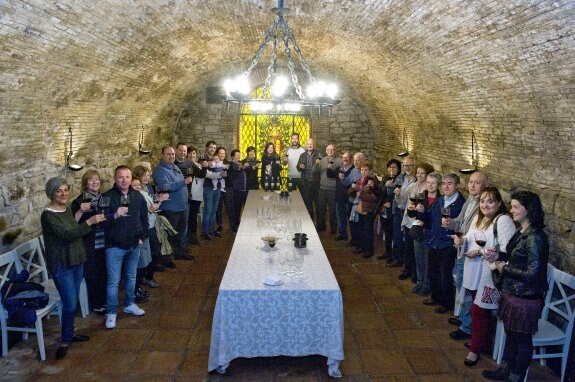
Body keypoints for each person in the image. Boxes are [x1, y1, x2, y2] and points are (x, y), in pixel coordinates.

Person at [482, 191, 549, 382]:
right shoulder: (522, 232)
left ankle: (516, 376)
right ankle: (505, 370)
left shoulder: (536, 238)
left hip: (526, 297)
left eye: (516, 207)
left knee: (522, 339)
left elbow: (533, 273)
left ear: (529, 210)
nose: (511, 211)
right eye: (512, 206)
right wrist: (498, 257)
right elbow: (514, 257)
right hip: (514, 292)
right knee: (511, 335)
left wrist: (505, 269)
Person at [41, 177, 106, 359]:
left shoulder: (67, 209)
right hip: (62, 264)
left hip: (76, 260)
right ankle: (64, 340)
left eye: (65, 190)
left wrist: (84, 225)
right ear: (51, 193)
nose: (63, 194)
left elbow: (75, 232)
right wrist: (90, 222)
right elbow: (67, 234)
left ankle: (69, 334)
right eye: (58, 191)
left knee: (72, 301)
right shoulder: (48, 215)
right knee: (69, 303)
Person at [454, 187, 515, 366]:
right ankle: (483, 342)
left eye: (490, 201)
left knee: (479, 310)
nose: (485, 205)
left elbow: (506, 250)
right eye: (482, 201)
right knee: (477, 307)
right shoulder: (478, 217)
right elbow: (470, 236)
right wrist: (462, 241)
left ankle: (475, 349)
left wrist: (479, 251)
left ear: (498, 203)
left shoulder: (503, 220)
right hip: (474, 270)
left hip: (489, 273)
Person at [445, 171, 489, 341]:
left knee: (469, 287)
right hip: (462, 247)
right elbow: (460, 221)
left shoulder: (483, 205)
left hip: (472, 252)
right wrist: (450, 223)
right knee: (462, 284)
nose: (471, 185)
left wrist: (461, 236)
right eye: (470, 182)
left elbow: (477, 231)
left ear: (484, 186)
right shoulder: (469, 201)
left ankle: (467, 327)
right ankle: (463, 318)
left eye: (476, 183)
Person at [103, 166, 149, 329]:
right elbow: (100, 221)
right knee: (114, 282)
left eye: (127, 177)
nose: (124, 180)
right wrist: (114, 215)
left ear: (131, 178)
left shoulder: (137, 196)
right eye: (120, 177)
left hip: (134, 244)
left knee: (131, 277)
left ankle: (129, 304)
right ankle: (112, 312)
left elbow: (144, 218)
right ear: (115, 178)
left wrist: (142, 237)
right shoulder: (107, 197)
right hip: (114, 246)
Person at [419, 173, 465, 314]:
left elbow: (461, 225)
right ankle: (435, 296)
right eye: (444, 183)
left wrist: (451, 225)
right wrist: (421, 212)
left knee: (445, 274)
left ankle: (446, 302)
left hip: (447, 243)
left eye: (449, 183)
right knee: (433, 272)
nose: (446, 186)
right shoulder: (439, 201)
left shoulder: (460, 204)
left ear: (457, 186)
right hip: (434, 242)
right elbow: (430, 219)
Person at [70, 170, 107, 315]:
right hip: (89, 243)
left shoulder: (103, 197)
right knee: (93, 274)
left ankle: (103, 300)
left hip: (104, 240)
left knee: (104, 272)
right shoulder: (79, 201)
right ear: (85, 183)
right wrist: (80, 211)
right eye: (91, 180)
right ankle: (96, 303)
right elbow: (73, 225)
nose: (95, 182)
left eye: (97, 179)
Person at [152, 146, 194, 260]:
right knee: (170, 234)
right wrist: (184, 182)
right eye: (168, 154)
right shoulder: (159, 171)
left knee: (180, 232)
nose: (171, 156)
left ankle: (179, 253)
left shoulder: (174, 166)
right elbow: (165, 187)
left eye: (173, 154)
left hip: (182, 206)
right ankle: (166, 258)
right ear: (162, 155)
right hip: (171, 208)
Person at [400, 162, 434, 283]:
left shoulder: (429, 189)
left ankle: (417, 275)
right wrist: (398, 194)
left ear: (427, 174)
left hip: (419, 222)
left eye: (422, 173)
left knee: (418, 252)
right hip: (410, 220)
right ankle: (409, 271)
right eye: (418, 173)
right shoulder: (413, 186)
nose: (419, 175)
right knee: (409, 248)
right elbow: (402, 199)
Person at [133, 164, 165, 289]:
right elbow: (139, 214)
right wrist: (152, 209)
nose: (147, 177)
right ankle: (144, 278)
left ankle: (147, 276)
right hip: (144, 227)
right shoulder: (137, 193)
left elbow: (152, 201)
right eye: (144, 175)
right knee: (148, 254)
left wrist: (159, 200)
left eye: (148, 175)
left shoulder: (147, 188)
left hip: (151, 223)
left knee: (155, 251)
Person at [348, 160, 380, 258]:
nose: (363, 172)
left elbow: (375, 198)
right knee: (361, 229)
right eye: (362, 170)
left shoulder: (373, 182)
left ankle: (369, 250)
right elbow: (349, 191)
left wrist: (360, 193)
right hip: (360, 208)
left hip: (368, 209)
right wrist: (355, 189)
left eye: (366, 170)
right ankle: (362, 247)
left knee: (368, 230)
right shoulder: (360, 180)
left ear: (370, 171)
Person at [389, 155, 417, 267]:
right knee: (397, 235)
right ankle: (397, 258)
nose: (407, 168)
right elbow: (391, 192)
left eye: (409, 165)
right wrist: (390, 188)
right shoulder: (401, 177)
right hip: (398, 210)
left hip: (409, 212)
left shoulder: (416, 180)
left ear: (414, 166)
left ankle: (407, 263)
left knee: (408, 239)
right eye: (405, 165)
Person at [377, 159, 401, 260]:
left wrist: (390, 203)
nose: (392, 169)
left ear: (398, 169)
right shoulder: (385, 178)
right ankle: (387, 252)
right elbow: (379, 191)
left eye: (394, 167)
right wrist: (384, 186)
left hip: (393, 210)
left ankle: (393, 255)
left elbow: (398, 195)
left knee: (393, 233)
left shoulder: (399, 180)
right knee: (386, 232)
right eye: (390, 167)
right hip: (384, 210)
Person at [341, 152, 365, 249]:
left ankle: (359, 243)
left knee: (359, 223)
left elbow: (367, 186)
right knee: (351, 221)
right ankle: (354, 240)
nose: (355, 162)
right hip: (351, 200)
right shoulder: (354, 170)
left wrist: (358, 187)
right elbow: (347, 182)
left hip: (360, 201)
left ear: (362, 161)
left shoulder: (365, 171)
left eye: (357, 160)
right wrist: (342, 178)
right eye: (354, 160)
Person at [200, 141, 222, 240]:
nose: (212, 149)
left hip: (217, 187)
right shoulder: (203, 159)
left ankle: (211, 230)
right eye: (211, 147)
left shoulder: (216, 159)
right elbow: (205, 173)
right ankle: (205, 232)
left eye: (214, 148)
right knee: (208, 211)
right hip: (208, 187)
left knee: (214, 211)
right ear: (206, 148)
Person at [329, 151, 353, 241]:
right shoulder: (340, 168)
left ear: (350, 159)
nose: (345, 159)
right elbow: (330, 175)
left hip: (348, 198)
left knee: (350, 219)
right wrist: (329, 167)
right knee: (340, 217)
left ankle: (353, 237)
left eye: (347, 158)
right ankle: (343, 234)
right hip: (339, 197)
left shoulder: (353, 170)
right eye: (343, 158)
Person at [317, 144, 341, 233]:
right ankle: (321, 227)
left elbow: (342, 172)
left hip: (333, 189)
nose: (330, 151)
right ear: (326, 151)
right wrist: (316, 164)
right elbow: (315, 171)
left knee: (333, 211)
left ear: (335, 151)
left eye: (332, 150)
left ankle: (333, 229)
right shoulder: (322, 160)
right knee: (321, 209)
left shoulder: (339, 161)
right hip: (322, 188)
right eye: (328, 150)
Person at [187, 146, 207, 245]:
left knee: (193, 216)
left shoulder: (198, 165)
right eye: (190, 153)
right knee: (189, 216)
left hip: (198, 194)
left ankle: (193, 237)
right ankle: (189, 237)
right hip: (190, 194)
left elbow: (203, 175)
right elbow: (201, 174)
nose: (192, 155)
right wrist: (205, 167)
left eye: (193, 153)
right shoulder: (189, 165)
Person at [297, 138, 321, 220]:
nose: (309, 145)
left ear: (314, 145)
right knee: (308, 205)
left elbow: (322, 168)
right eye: (308, 144)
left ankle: (320, 226)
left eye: (311, 144)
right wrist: (300, 166)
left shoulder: (319, 155)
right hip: (306, 183)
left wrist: (319, 164)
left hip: (316, 183)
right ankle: (310, 222)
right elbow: (298, 167)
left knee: (318, 205)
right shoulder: (302, 155)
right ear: (306, 145)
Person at [228, 149, 248, 232]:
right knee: (236, 209)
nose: (238, 157)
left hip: (243, 190)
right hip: (236, 190)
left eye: (239, 155)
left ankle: (240, 224)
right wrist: (241, 168)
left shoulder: (239, 164)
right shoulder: (232, 165)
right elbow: (234, 175)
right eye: (236, 155)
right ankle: (234, 227)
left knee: (243, 208)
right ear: (232, 157)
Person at [215, 147, 233, 234]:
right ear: (217, 154)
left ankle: (232, 226)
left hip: (227, 189)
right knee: (218, 208)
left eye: (223, 153)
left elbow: (232, 176)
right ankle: (219, 226)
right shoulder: (214, 163)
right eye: (220, 153)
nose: (222, 155)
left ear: (225, 154)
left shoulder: (228, 164)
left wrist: (227, 175)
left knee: (229, 208)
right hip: (218, 189)